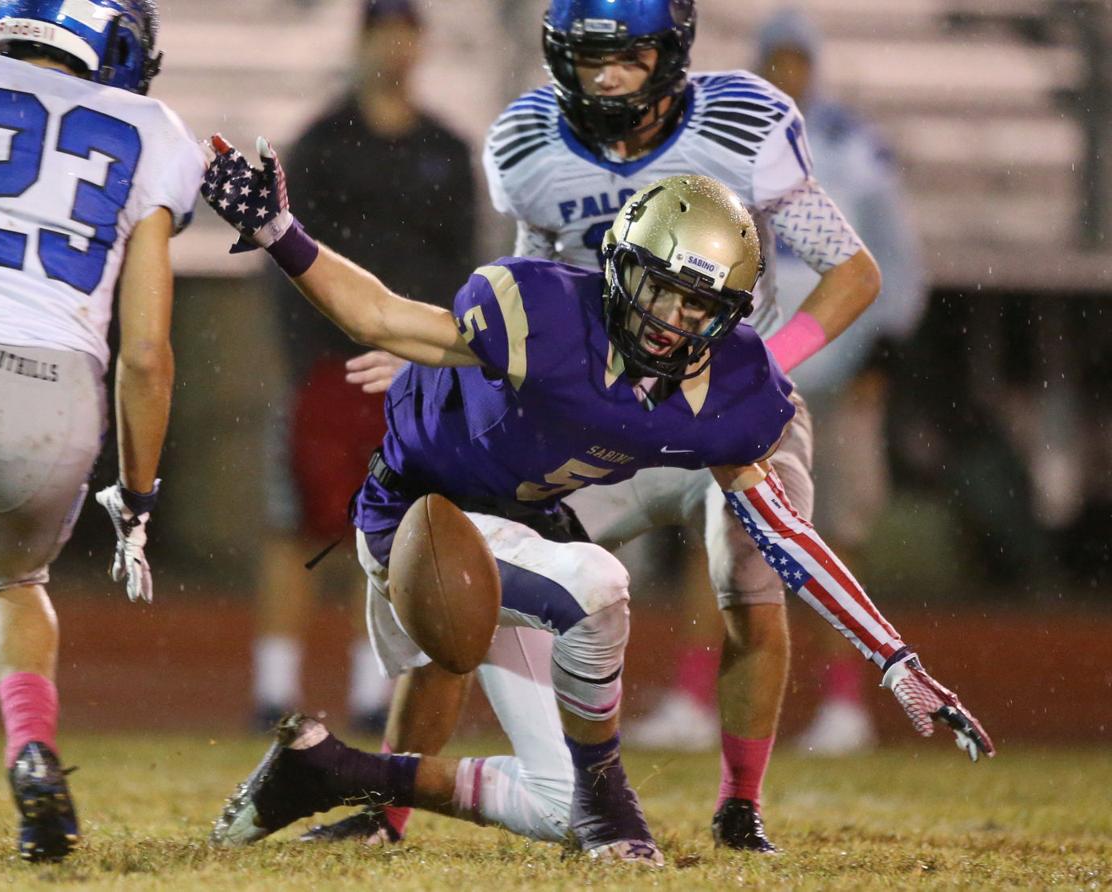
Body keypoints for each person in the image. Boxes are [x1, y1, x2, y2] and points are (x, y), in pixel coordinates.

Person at [199, 141, 994, 865]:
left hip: (521, 526)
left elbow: (783, 528)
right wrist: (278, 230)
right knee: (598, 586)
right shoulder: (540, 310)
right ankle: (614, 804)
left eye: (699, 308)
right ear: (619, 265)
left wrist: (894, 656)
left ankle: (325, 770)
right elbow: (379, 314)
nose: (672, 321)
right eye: (662, 289)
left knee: (553, 805)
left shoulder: (731, 386)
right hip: (419, 517)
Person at [331, 0, 883, 851]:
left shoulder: (743, 121)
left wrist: (763, 368)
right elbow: (526, 287)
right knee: (462, 570)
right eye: (589, 59)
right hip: (593, 414)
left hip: (724, 416)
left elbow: (852, 270)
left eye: (626, 56)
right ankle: (388, 809)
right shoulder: (529, 144)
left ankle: (742, 804)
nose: (607, 77)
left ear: (672, 54)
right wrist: (444, 356)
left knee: (752, 582)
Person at [0, 0, 203, 862]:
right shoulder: (154, 129)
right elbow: (148, 353)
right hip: (63, 396)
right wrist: (141, 494)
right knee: (11, 582)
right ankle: (31, 748)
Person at [250, 0, 476, 732]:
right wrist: (306, 359)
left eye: (407, 33)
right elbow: (284, 256)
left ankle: (375, 687)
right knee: (300, 526)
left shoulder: (446, 146)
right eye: (385, 32)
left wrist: (446, 366)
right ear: (363, 41)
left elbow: (462, 270)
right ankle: (274, 688)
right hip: (331, 365)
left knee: (392, 530)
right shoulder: (322, 142)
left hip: (411, 373)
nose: (397, 48)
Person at [755, 9, 929, 756]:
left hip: (834, 367)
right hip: (753, 374)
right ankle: (705, 694)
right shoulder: (737, 140)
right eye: (777, 60)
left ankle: (845, 702)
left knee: (839, 540)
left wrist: (884, 351)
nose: (788, 72)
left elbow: (893, 255)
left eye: (799, 59)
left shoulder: (852, 149)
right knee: (731, 536)